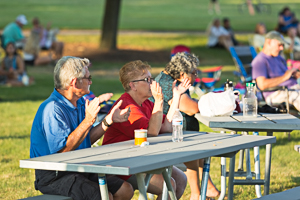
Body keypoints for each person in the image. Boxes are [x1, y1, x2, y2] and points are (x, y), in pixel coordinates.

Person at [30, 56, 134, 200]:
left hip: (79, 166)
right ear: (74, 82)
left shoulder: (78, 102)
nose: (91, 81)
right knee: (105, 197)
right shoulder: (53, 109)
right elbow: (62, 150)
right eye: (88, 77)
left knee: (125, 190)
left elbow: (85, 140)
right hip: (55, 174)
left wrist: (108, 120)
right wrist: (88, 120)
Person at [102, 60, 188, 199]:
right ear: (133, 85)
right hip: (120, 163)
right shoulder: (127, 106)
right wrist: (159, 100)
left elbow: (166, 126)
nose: (152, 84)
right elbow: (152, 132)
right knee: (168, 184)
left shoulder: (146, 103)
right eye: (147, 80)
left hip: (139, 159)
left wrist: (176, 95)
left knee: (180, 179)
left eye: (151, 79)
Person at [150, 52, 220, 200]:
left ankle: (207, 189)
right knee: (195, 149)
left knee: (201, 145)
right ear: (182, 74)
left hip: (176, 133)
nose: (196, 77)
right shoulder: (169, 84)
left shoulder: (172, 79)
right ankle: (197, 194)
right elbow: (191, 107)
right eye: (194, 73)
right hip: (165, 136)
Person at [252, 31, 300, 111]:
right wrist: (285, 77)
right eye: (279, 45)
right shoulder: (260, 61)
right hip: (276, 94)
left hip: (292, 89)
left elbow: (285, 75)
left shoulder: (279, 58)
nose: (282, 48)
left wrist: (293, 75)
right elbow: (262, 85)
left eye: (283, 45)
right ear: (269, 42)